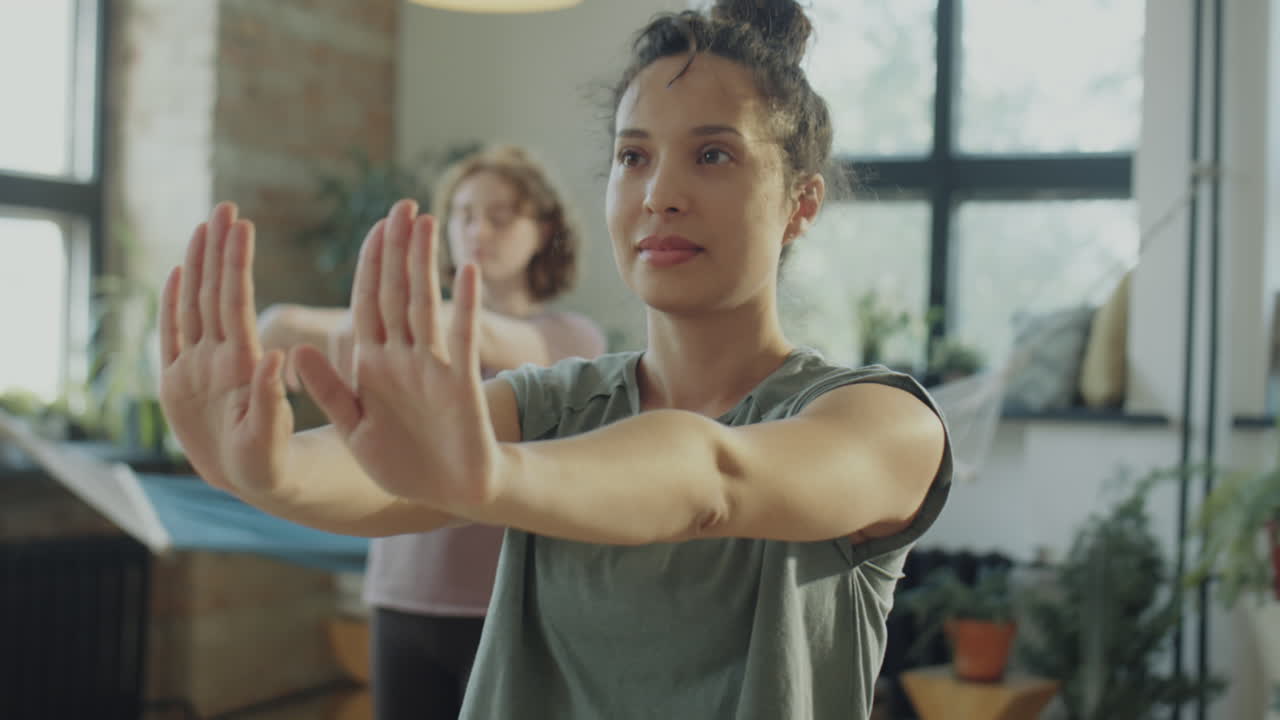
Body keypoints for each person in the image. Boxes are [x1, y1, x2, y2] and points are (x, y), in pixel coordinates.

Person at [156, 1, 952, 718]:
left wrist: (495, 480)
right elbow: (365, 471)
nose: (658, 195)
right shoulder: (554, 405)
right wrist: (260, 472)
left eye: (713, 156)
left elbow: (712, 477)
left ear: (800, 204)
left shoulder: (883, 424)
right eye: (633, 157)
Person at [255, 145, 606, 720]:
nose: (477, 230)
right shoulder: (408, 339)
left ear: (543, 230)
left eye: (499, 215)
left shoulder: (571, 337)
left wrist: (296, 324)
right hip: (400, 597)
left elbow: (473, 334)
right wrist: (275, 329)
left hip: (507, 608)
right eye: (465, 215)